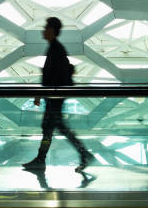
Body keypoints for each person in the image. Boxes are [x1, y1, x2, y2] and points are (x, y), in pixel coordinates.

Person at [22, 17, 95, 172]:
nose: (43, 30)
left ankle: (45, 159)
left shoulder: (56, 49)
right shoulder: (55, 48)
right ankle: (43, 159)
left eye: (46, 28)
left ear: (52, 31)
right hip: (54, 97)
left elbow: (53, 76)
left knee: (54, 129)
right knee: (53, 129)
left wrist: (41, 93)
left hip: (54, 98)